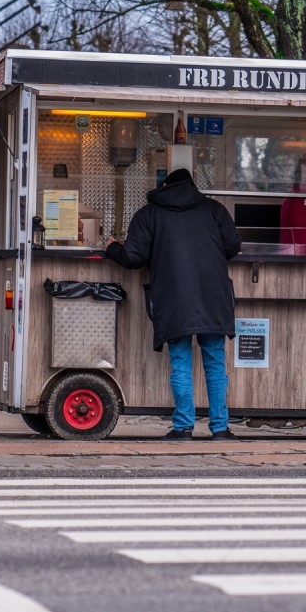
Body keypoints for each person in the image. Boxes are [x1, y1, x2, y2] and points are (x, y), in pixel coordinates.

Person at [105, 168, 243, 440]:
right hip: (212, 295)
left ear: (165, 185)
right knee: (215, 362)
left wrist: (111, 247)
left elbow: (134, 256)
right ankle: (220, 428)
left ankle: (183, 427)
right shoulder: (213, 210)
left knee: (180, 361)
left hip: (173, 296)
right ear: (191, 185)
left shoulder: (150, 214)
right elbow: (233, 246)